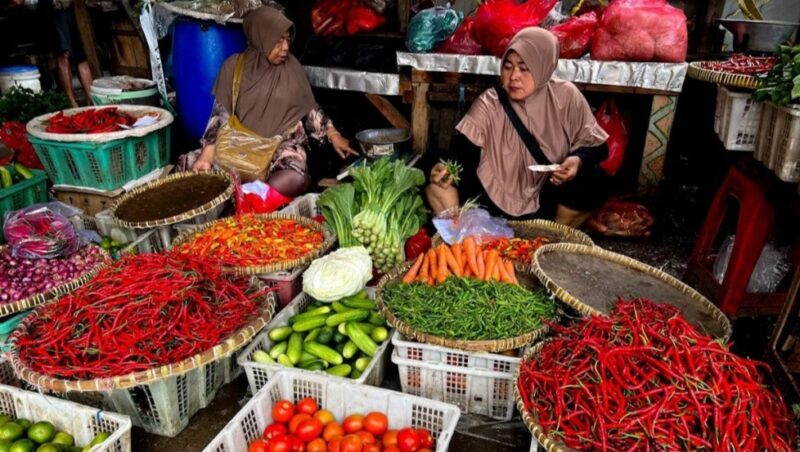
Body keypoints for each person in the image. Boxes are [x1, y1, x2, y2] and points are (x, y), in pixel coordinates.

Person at [425, 28, 609, 228]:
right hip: (491, 202)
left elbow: (598, 146)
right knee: (432, 174)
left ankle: (553, 232)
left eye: (524, 68)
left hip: (544, 199)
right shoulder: (490, 102)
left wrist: (576, 160)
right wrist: (444, 169)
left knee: (595, 178)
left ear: (543, 66)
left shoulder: (565, 96)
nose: (513, 76)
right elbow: (461, 152)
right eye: (508, 66)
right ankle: (460, 232)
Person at [187, 6, 357, 197]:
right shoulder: (233, 67)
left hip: (279, 146)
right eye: (278, 41)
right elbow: (220, 115)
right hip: (238, 146)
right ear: (261, 38)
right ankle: (250, 193)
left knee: (295, 176)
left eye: (287, 40)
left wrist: (333, 134)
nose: (285, 47)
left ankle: (246, 194)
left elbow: (308, 109)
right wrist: (207, 155)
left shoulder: (291, 69)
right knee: (190, 168)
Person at [11, 0, 93, 108]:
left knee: (77, 57)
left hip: (67, 8)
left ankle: (90, 99)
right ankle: (73, 102)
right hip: (57, 9)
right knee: (66, 55)